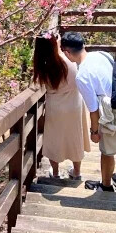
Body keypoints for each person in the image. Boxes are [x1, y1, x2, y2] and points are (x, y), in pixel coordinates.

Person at [61, 31, 116, 193]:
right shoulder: (101, 54)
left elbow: (94, 110)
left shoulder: (82, 76)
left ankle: (105, 186)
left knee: (107, 151)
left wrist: (94, 132)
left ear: (67, 52)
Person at [32, 34, 90, 179]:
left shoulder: (42, 65)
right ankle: (76, 173)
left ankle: (56, 173)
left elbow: (37, 86)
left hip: (55, 106)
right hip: (74, 104)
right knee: (75, 137)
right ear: (54, 43)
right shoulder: (68, 60)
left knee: (54, 139)